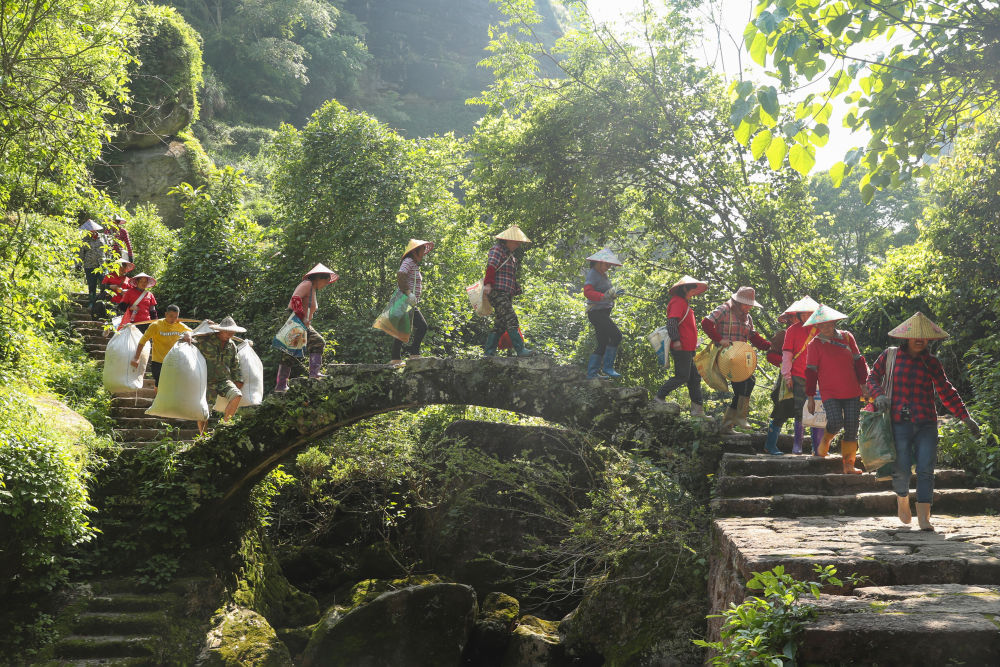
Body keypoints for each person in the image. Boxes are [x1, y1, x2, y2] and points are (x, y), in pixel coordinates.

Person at [866, 312, 980, 531]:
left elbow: (946, 390)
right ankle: (902, 500)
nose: (919, 339)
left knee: (926, 469)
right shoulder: (890, 356)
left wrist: (966, 417)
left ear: (929, 339)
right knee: (902, 469)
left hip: (926, 422)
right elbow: (872, 377)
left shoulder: (932, 362)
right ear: (906, 338)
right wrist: (878, 394)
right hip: (898, 422)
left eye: (924, 336)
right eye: (914, 335)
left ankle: (924, 517)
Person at [804, 304, 869, 473]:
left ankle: (848, 464)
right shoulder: (815, 344)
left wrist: (864, 386)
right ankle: (825, 440)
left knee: (852, 426)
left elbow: (859, 362)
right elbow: (811, 372)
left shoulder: (847, 337)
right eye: (821, 325)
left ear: (834, 322)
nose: (825, 327)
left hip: (852, 390)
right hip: (829, 392)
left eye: (828, 323)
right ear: (817, 326)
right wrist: (810, 398)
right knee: (835, 422)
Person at [701, 286, 771, 432]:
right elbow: (706, 323)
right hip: (725, 356)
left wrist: (769, 347)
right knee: (743, 383)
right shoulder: (724, 309)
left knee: (749, 382)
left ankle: (727, 425)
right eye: (746, 304)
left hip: (739, 357)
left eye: (750, 304)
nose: (749, 307)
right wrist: (719, 339)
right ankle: (740, 417)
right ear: (738, 302)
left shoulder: (747, 317)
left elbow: (753, 337)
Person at [762, 297, 820, 455]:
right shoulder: (789, 331)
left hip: (813, 377)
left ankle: (816, 447)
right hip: (793, 377)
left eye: (810, 313)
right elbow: (782, 356)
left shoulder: (820, 329)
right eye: (802, 314)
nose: (805, 317)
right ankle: (776, 445)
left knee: (816, 410)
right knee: (783, 410)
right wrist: (787, 375)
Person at [275, 263, 338, 392]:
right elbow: (295, 299)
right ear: (319, 278)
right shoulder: (307, 284)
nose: (326, 285)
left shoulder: (312, 288)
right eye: (325, 282)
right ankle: (285, 384)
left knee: (290, 353)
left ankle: (282, 385)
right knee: (316, 342)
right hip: (295, 318)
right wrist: (302, 317)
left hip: (300, 320)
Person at [653, 275, 708, 414]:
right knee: (682, 376)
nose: (693, 293)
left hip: (688, 348)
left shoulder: (684, 302)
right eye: (692, 290)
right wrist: (676, 340)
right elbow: (671, 323)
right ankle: (659, 396)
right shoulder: (677, 302)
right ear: (684, 288)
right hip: (681, 347)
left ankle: (697, 410)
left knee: (694, 378)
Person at [183, 316, 245, 434]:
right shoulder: (204, 340)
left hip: (223, 380)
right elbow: (186, 340)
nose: (229, 335)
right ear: (220, 330)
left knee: (237, 396)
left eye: (232, 332)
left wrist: (238, 380)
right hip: (206, 381)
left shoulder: (231, 346)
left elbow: (235, 365)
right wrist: (187, 334)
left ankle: (224, 427)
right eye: (227, 332)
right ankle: (203, 436)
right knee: (204, 411)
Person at [483, 224, 532, 357]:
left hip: (506, 293)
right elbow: (491, 267)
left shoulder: (510, 256)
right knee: (511, 319)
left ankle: (489, 352)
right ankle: (520, 350)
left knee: (500, 324)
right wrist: (488, 284)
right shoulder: (497, 250)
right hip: (497, 292)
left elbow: (509, 275)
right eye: (516, 242)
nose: (518, 244)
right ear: (508, 240)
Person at [390, 239, 434, 366]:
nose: (424, 252)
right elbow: (400, 274)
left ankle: (399, 357)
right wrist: (408, 293)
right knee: (421, 326)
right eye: (422, 249)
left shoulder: (414, 264)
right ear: (415, 251)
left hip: (410, 302)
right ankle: (409, 354)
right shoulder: (408, 261)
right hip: (405, 300)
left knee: (405, 327)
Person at [582, 249, 625, 379]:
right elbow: (587, 292)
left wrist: (613, 294)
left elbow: (606, 294)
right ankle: (607, 368)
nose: (608, 268)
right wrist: (604, 296)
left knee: (603, 342)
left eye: (609, 265)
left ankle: (592, 374)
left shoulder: (602, 275)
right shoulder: (593, 274)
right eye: (607, 265)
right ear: (599, 263)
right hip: (597, 312)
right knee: (617, 336)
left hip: (603, 312)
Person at [130, 305, 191, 394]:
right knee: (159, 383)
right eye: (171, 316)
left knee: (172, 383)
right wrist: (136, 357)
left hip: (174, 360)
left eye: (176, 317)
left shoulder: (179, 325)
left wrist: (188, 334)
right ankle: (158, 401)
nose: (173, 319)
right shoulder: (156, 325)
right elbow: (142, 341)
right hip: (158, 361)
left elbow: (191, 331)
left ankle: (169, 402)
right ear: (166, 314)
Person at [78, 220, 107, 315]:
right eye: (89, 230)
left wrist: (109, 262)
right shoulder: (84, 240)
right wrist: (78, 264)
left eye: (92, 230)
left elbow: (108, 250)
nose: (91, 231)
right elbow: (80, 254)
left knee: (105, 284)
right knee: (92, 285)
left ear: (95, 230)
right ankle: (91, 303)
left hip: (101, 266)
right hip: (89, 266)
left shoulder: (103, 238)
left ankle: (103, 302)